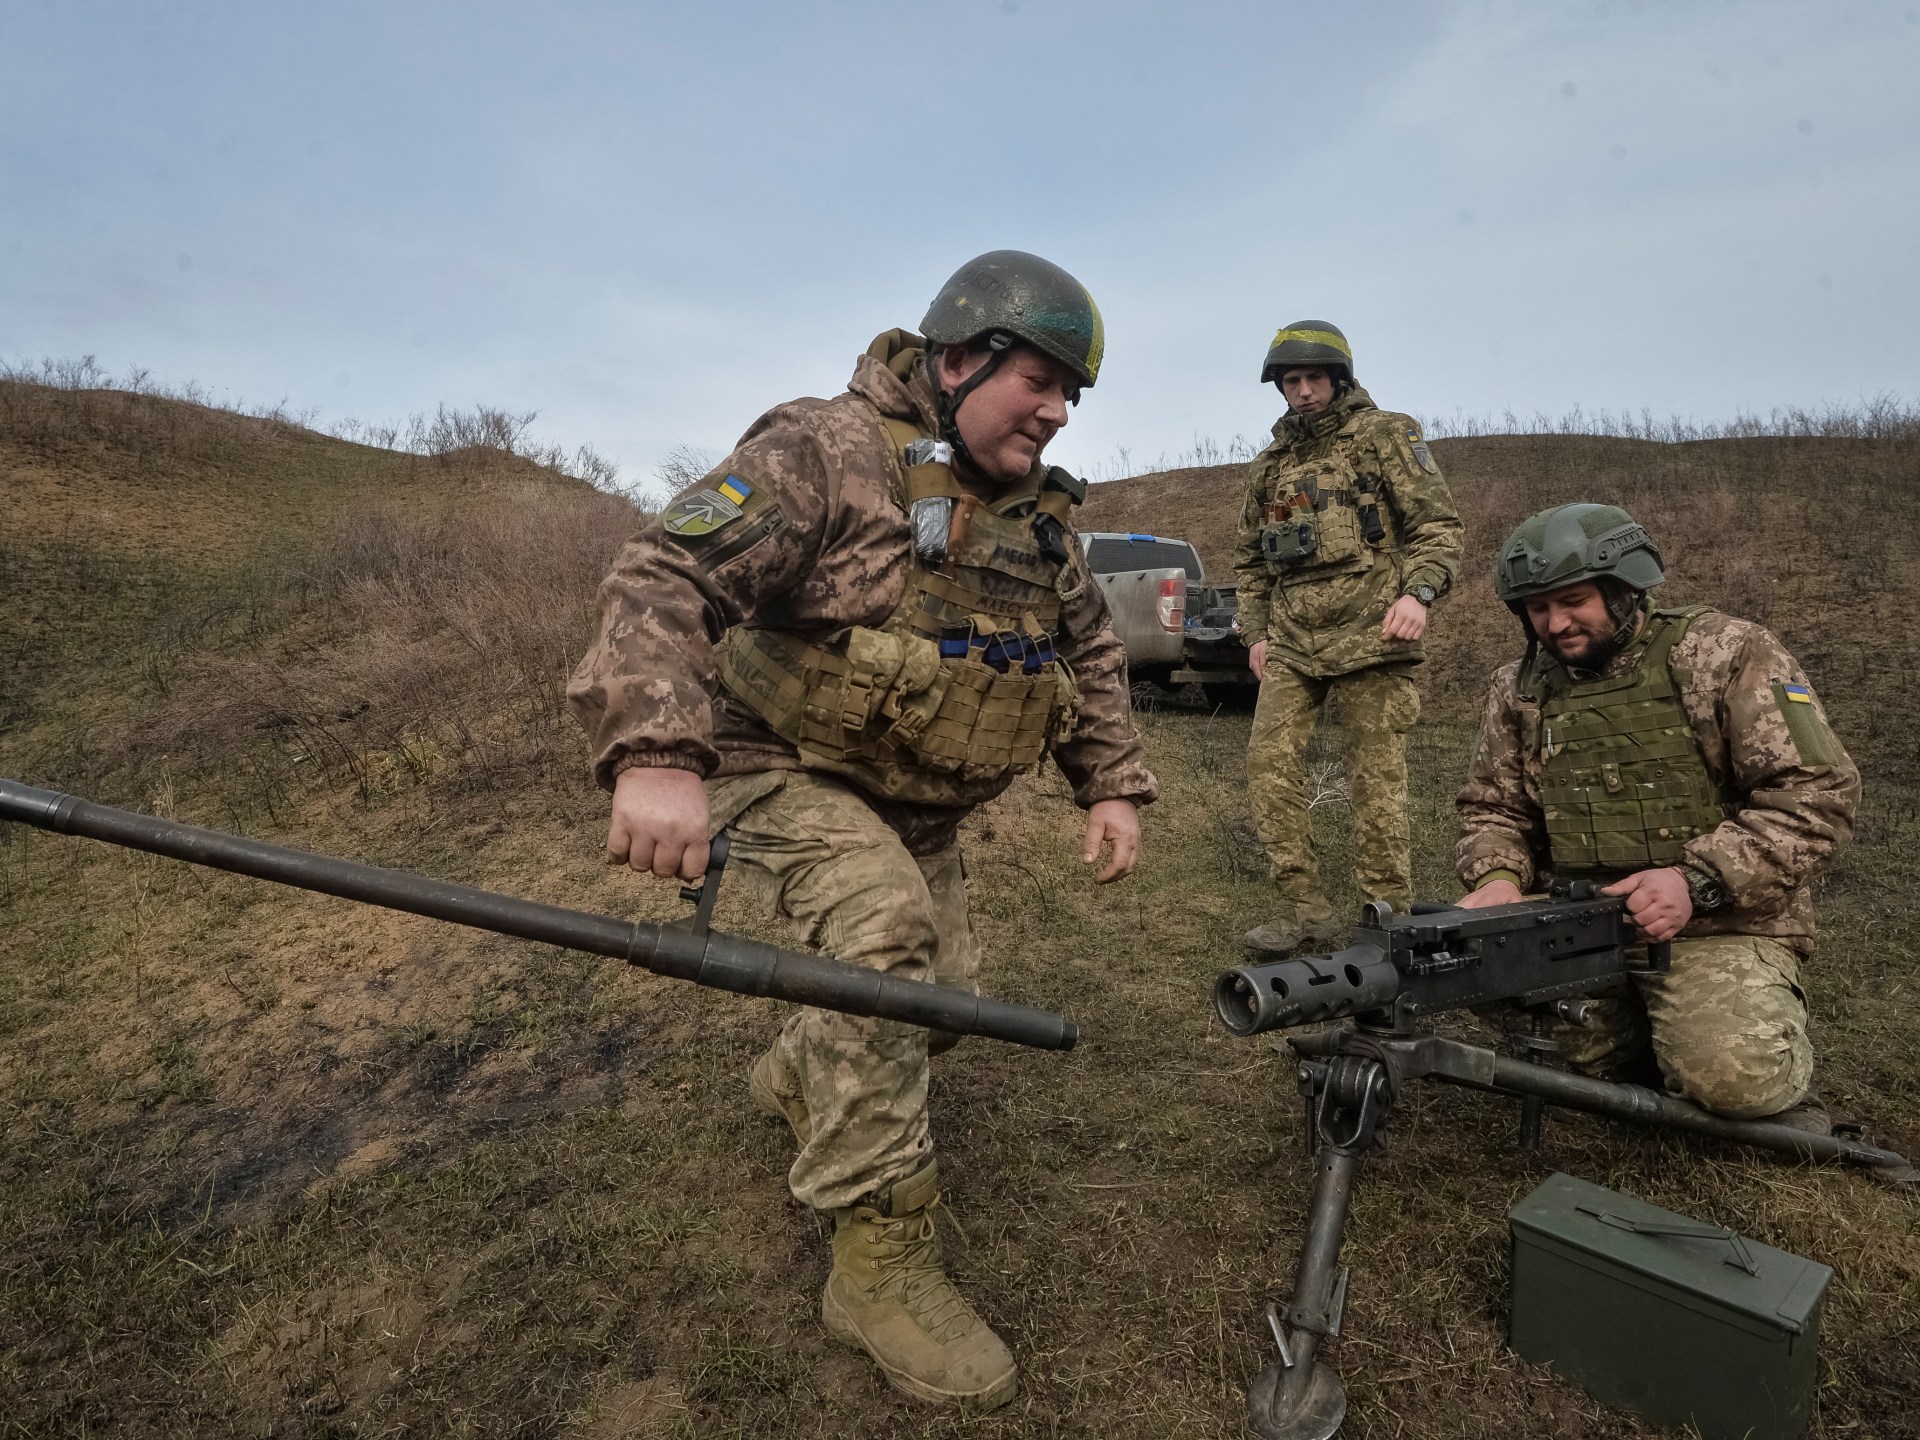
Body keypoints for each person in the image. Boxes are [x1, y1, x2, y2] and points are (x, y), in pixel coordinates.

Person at [566, 250, 1158, 1410]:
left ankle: (806, 1066)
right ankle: (878, 1266)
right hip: (773, 763)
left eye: (1071, 394)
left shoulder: (1040, 520)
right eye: (1037, 378)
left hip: (915, 807)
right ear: (957, 359)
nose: (1054, 410)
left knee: (944, 1003)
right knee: (882, 950)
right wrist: (654, 755)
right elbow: (661, 573)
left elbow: (1086, 648)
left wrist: (1112, 784)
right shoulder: (829, 452)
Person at [1455, 503, 1860, 1126]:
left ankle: (1711, 1043)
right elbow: (1493, 806)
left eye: (1574, 600)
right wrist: (1499, 880)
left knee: (1735, 1082)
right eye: (1537, 608)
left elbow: (1816, 794)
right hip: (1575, 919)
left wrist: (1694, 881)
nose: (1556, 624)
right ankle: (1636, 1041)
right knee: (1465, 968)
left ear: (1623, 588)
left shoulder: (1724, 653)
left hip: (1716, 923)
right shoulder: (1518, 687)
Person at [1233, 321, 1464, 954]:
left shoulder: (1386, 435)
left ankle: (1384, 918)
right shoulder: (1271, 466)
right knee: (1268, 772)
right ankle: (1305, 911)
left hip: (1373, 636)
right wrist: (1255, 631)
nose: (1302, 391)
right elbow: (1250, 561)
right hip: (1293, 643)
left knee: (1375, 782)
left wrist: (1418, 593)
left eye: (1313, 378)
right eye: (1290, 381)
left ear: (1339, 378)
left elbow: (1438, 527)